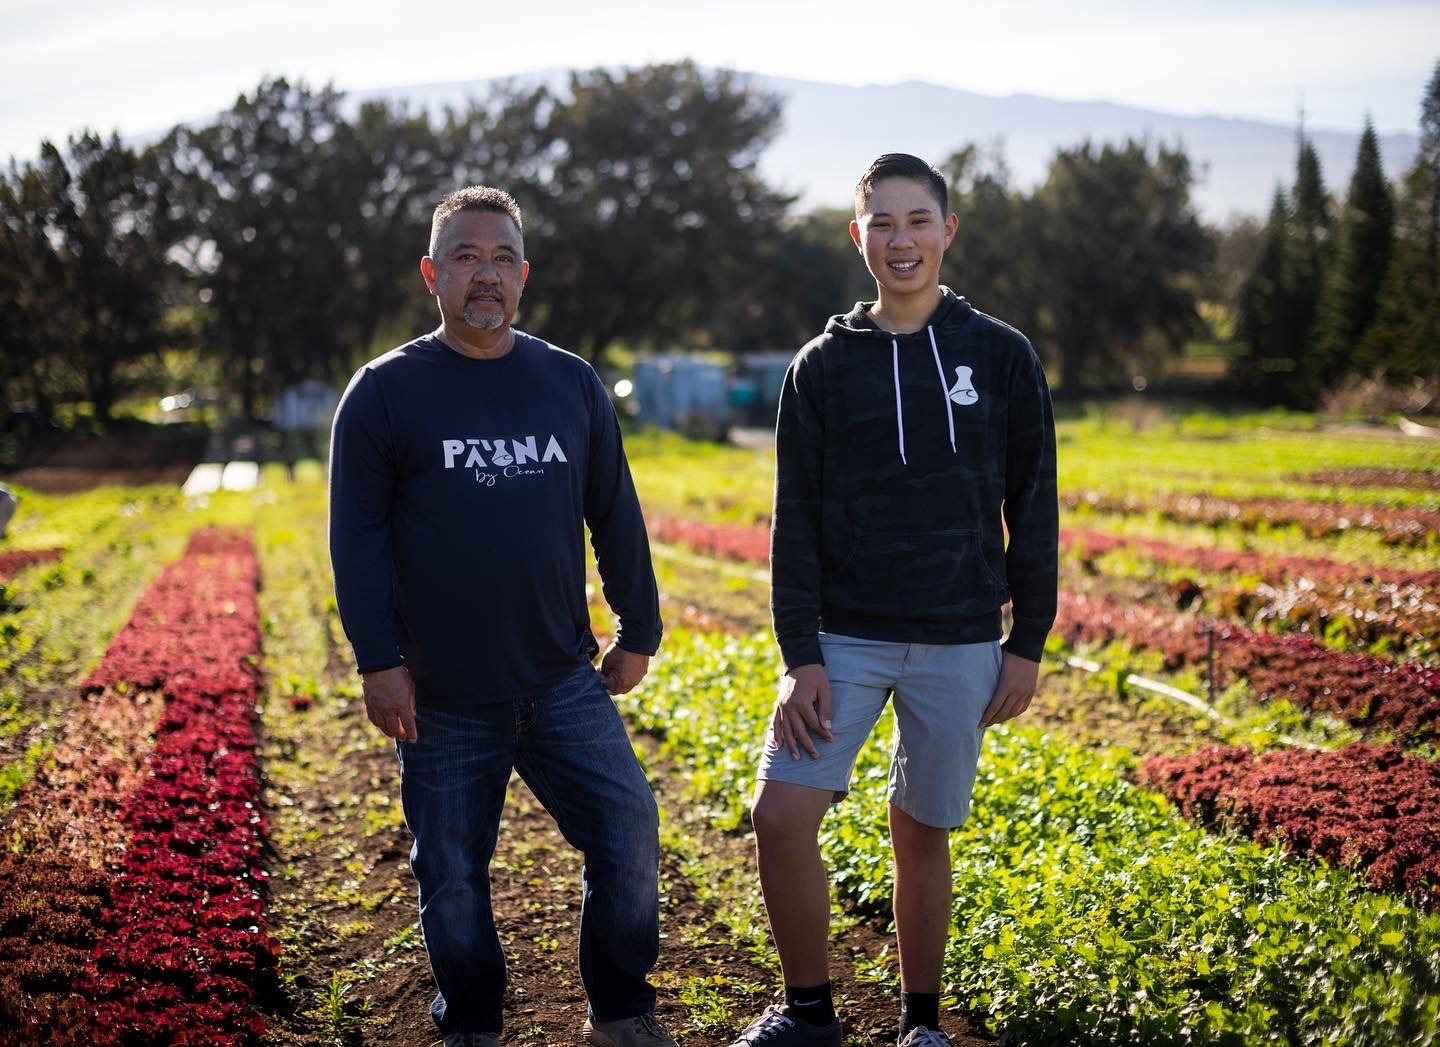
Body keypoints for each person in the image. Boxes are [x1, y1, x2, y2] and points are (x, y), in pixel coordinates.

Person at [328, 186, 675, 1047]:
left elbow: (615, 513)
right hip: (443, 694)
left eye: (501, 258)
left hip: (560, 677)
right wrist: (378, 659)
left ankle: (622, 1011)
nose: (486, 275)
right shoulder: (384, 393)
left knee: (629, 832)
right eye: (466, 257)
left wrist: (640, 628)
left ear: (524, 273)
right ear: (431, 274)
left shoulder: (569, 382)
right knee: (451, 875)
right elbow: (357, 542)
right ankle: (474, 1023)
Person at [731, 154, 1058, 1047]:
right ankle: (808, 1015)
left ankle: (920, 1025)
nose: (901, 240)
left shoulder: (1000, 355)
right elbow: (791, 521)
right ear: (859, 235)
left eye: (918, 221)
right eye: (883, 223)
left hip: (959, 641)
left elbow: (1033, 506)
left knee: (921, 830)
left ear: (948, 231)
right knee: (781, 814)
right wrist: (800, 656)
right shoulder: (821, 367)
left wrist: (1027, 641)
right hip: (845, 637)